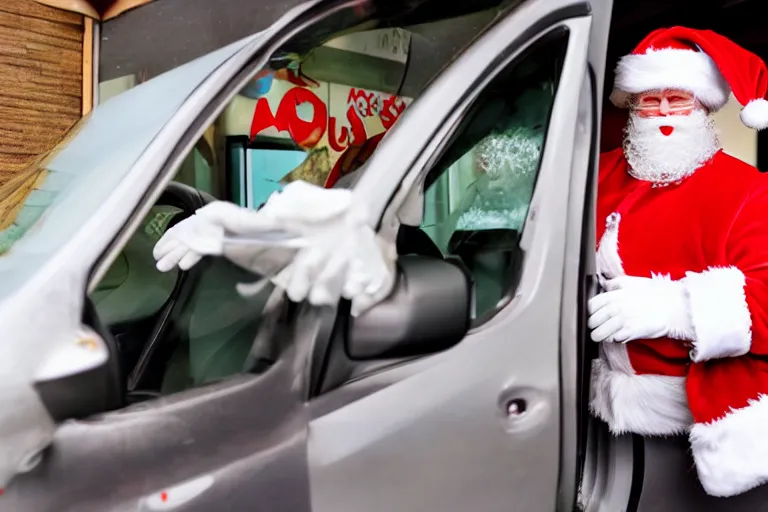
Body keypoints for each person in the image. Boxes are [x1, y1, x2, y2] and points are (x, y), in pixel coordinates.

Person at [589, 26, 768, 498]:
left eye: (679, 99)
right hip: (597, 416)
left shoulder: (749, 192)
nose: (665, 113)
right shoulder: (597, 175)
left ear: (705, 106)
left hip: (697, 425)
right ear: (631, 107)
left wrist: (674, 309)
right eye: (651, 100)